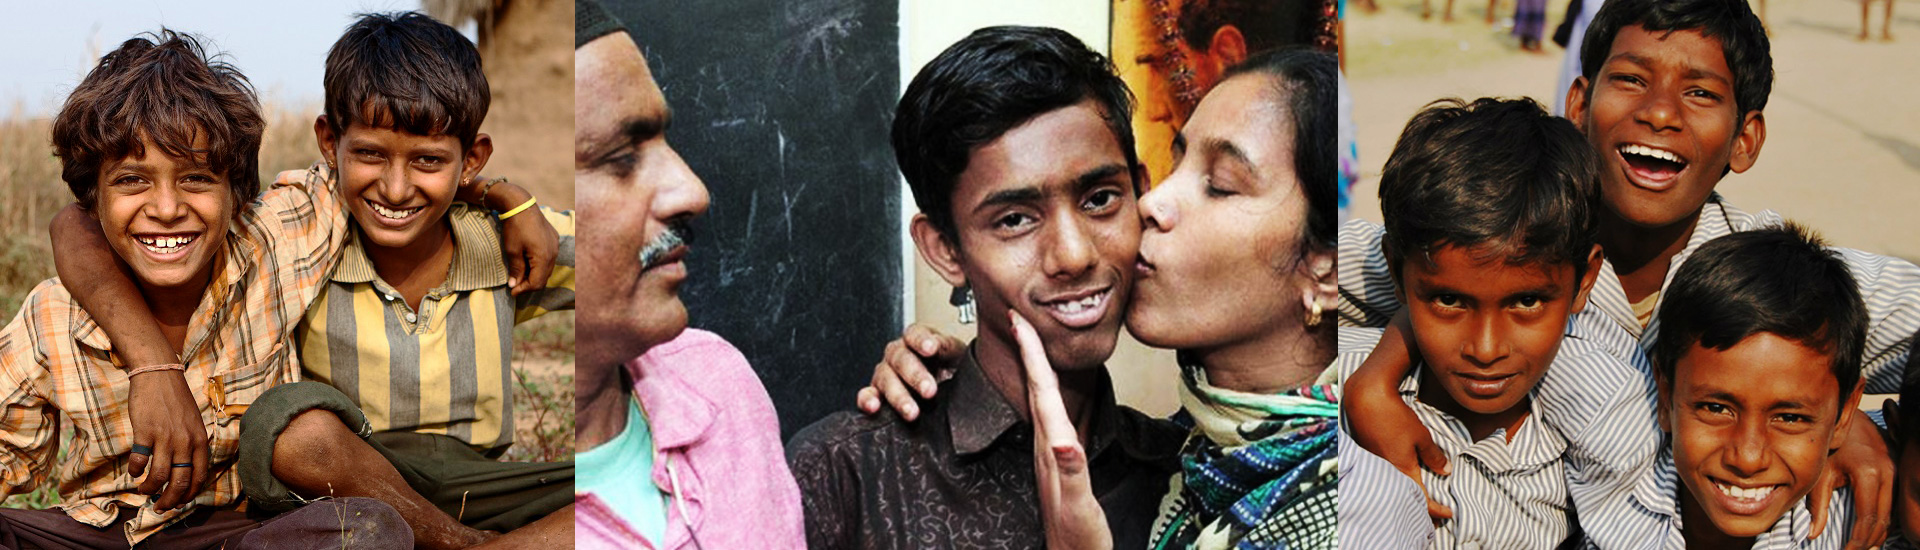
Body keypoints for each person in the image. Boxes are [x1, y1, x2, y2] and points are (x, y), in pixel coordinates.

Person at [1340, 0, 1920, 544]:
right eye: (1631, 80)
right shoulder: (1496, 222)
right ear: (1578, 106)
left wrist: (1847, 428)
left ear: (1744, 139)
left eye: (1699, 92)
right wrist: (1383, 365)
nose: (1660, 112)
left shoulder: (1773, 284)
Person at [860, 48, 1343, 549]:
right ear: (946, 249)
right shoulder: (1190, 460)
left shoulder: (1374, 503)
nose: (1150, 203)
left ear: (1328, 270)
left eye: (1219, 186)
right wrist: (968, 390)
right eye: (1176, 164)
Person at [0, 30, 412, 549]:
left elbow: (387, 166)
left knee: (366, 531)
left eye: (196, 178)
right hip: (102, 533)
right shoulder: (52, 317)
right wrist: (152, 365)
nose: (167, 208)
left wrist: (498, 193)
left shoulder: (273, 244)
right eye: (132, 180)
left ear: (237, 190)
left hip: (237, 534)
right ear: (92, 199)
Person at [785, 25, 1188, 549]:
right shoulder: (848, 475)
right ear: (945, 250)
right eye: (1016, 219)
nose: (1074, 254)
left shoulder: (1183, 473)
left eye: (1100, 199)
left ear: (1139, 191)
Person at [1336, 97, 1651, 549]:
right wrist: (1370, 384)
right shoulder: (1331, 391)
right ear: (1396, 271)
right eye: (1449, 300)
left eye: (1525, 302)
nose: (1485, 350)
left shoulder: (1607, 413)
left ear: (1585, 281)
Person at [572, 1, 806, 548]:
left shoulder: (719, 386)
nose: (692, 191)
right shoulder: (403, 497)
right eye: (621, 157)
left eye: (663, 142)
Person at [1638, 224, 1865, 547]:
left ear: (1844, 415)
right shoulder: (1604, 485)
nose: (1747, 458)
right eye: (1716, 408)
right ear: (1664, 393)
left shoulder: (1867, 528)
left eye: (1789, 418)